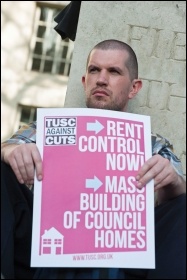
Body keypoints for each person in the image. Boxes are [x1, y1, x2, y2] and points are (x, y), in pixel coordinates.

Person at [1, 39, 186, 279]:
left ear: (134, 88)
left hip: (126, 261)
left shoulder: (152, 143)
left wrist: (172, 181)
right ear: (84, 81)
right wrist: (12, 151)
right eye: (94, 70)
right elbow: (9, 146)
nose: (101, 79)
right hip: (46, 253)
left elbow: (177, 193)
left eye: (114, 71)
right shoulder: (50, 129)